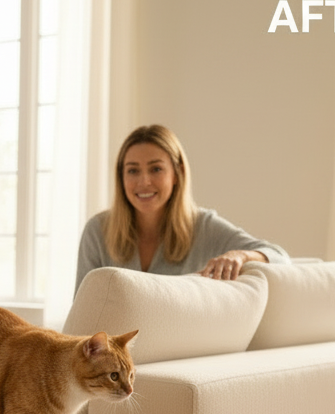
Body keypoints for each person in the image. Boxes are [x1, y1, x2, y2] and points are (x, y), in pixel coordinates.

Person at [74, 125, 289, 292]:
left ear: (177, 174)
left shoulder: (204, 227)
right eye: (133, 171)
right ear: (121, 177)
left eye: (156, 169)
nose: (144, 181)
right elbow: (82, 310)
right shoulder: (97, 230)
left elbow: (280, 258)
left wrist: (240, 255)